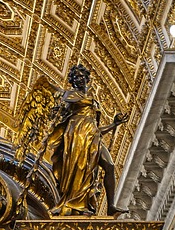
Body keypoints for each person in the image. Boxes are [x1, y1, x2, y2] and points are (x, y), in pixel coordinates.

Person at [49, 64, 127, 216]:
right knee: (77, 168)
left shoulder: (93, 101)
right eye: (76, 77)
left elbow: (97, 129)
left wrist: (114, 124)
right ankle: (72, 202)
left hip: (93, 136)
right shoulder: (69, 96)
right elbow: (59, 111)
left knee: (110, 166)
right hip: (76, 135)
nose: (80, 79)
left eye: (82, 75)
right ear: (72, 80)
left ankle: (111, 205)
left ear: (87, 77)